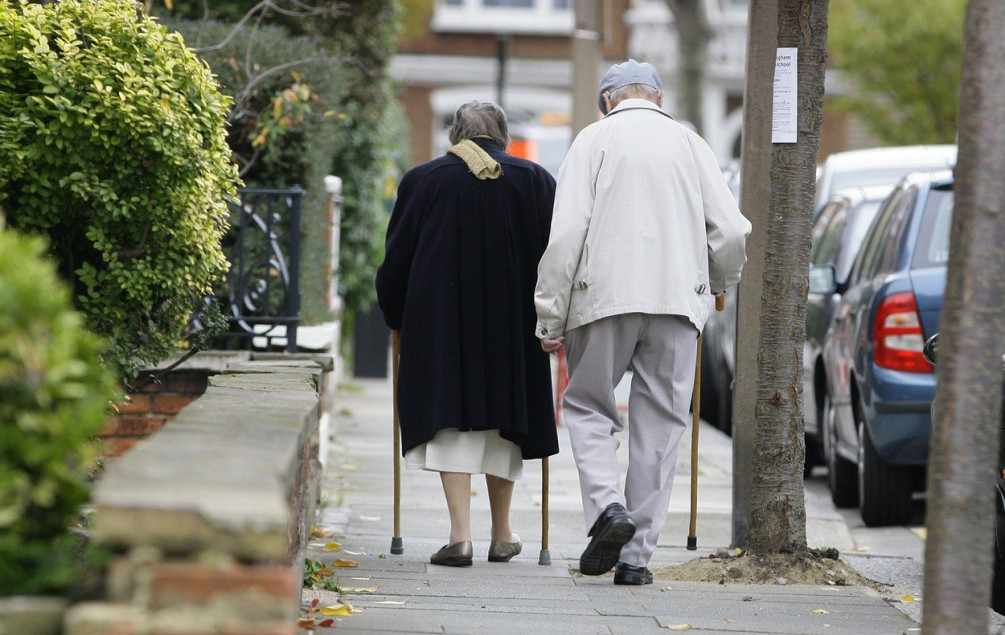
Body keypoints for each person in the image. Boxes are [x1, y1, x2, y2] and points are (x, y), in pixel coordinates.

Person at [534, 60, 751, 585]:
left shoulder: (593, 140)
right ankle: (636, 562)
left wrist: (549, 313)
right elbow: (730, 231)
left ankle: (609, 508)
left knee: (587, 406)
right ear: (656, 98)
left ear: (608, 99)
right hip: (677, 301)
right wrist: (719, 285)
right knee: (660, 428)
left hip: (603, 298)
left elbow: (565, 236)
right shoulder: (692, 144)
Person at [376, 100, 559, 568]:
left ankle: (459, 537)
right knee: (506, 421)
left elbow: (396, 259)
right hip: (513, 324)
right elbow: (555, 256)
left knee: (451, 419)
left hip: (441, 322)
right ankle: (502, 534)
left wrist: (395, 314)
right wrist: (556, 317)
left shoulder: (423, 180)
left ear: (455, 136)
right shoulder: (535, 180)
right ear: (501, 137)